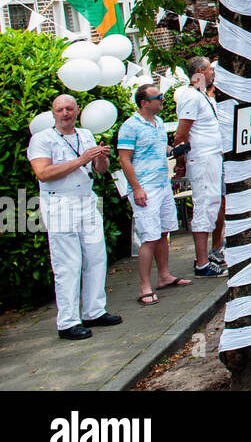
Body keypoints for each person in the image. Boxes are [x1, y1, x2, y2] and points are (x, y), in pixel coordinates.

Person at [27, 94, 121, 340]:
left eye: (69, 108)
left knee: (96, 257)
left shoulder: (85, 134)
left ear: (77, 111)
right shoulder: (42, 139)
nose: (65, 113)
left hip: (86, 200)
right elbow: (43, 173)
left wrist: (101, 158)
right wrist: (81, 159)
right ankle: (68, 322)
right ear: (53, 113)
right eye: (60, 109)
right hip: (59, 203)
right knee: (67, 263)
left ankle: (94, 311)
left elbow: (99, 170)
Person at [118, 83, 193, 305]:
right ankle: (144, 287)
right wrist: (136, 188)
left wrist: (175, 150)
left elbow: (160, 149)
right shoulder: (130, 127)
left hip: (162, 184)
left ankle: (164, 276)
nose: (162, 100)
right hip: (145, 188)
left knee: (163, 232)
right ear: (144, 103)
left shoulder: (158, 122)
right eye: (158, 97)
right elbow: (124, 159)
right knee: (149, 237)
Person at [172, 56, 226, 276]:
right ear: (201, 72)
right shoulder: (190, 97)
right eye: (210, 69)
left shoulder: (201, 95)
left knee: (212, 203)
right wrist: (181, 164)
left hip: (211, 156)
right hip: (202, 158)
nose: (213, 73)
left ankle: (206, 255)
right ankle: (202, 263)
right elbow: (181, 135)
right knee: (204, 205)